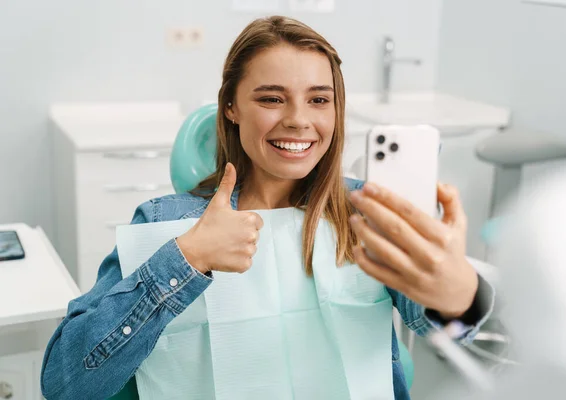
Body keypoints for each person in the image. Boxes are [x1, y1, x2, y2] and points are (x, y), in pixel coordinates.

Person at [41, 15, 493, 400]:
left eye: (319, 99)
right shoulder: (166, 222)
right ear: (232, 107)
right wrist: (185, 259)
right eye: (272, 98)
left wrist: (464, 299)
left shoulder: (368, 215)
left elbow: (447, 338)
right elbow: (63, 384)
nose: (298, 119)